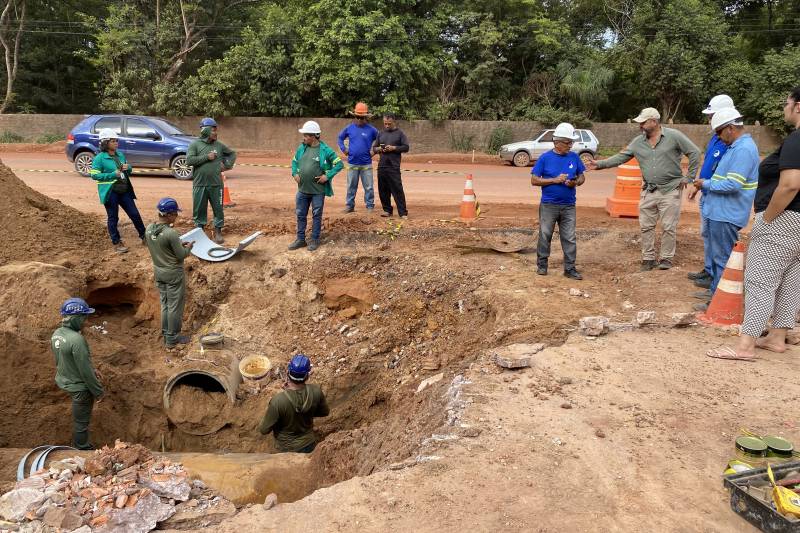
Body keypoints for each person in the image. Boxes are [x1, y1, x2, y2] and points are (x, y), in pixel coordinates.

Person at [707, 87, 800, 361]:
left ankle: (744, 346)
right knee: (790, 279)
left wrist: (767, 217)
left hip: (784, 219)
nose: (784, 108)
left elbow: (790, 184)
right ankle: (777, 336)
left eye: (787, 103)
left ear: (798, 107)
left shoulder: (796, 140)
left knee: (760, 280)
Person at [588, 108, 701, 271]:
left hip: (670, 189)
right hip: (649, 190)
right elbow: (621, 157)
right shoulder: (637, 142)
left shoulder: (674, 136)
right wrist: (598, 164)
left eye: (643, 122)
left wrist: (688, 177)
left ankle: (666, 258)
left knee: (668, 226)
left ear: (654, 122)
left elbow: (695, 152)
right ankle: (648, 258)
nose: (640, 125)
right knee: (646, 226)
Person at [690, 108, 759, 312]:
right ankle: (715, 293)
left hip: (727, 213)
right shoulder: (735, 147)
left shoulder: (743, 149)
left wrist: (706, 184)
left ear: (730, 128)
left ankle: (721, 303)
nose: (718, 137)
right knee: (717, 256)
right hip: (719, 211)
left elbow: (733, 184)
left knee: (723, 260)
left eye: (719, 132)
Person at [687, 95, 734, 290]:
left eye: (712, 115)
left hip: (718, 195)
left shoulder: (728, 141)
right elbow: (708, 166)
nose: (709, 119)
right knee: (707, 234)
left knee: (717, 237)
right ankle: (709, 269)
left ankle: (716, 275)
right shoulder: (716, 137)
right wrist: (698, 186)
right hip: (707, 191)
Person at [530, 122, 586, 280]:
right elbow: (534, 180)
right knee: (545, 234)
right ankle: (542, 265)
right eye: (568, 142)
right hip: (549, 205)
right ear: (557, 142)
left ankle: (570, 268)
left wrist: (575, 182)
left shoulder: (574, 157)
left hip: (569, 205)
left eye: (571, 142)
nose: (570, 145)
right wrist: (554, 180)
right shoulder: (545, 158)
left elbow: (582, 176)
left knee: (569, 237)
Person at [51, 297, 104, 450]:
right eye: (83, 317)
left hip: (64, 379)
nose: (85, 321)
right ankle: (82, 447)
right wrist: (98, 392)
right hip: (79, 388)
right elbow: (86, 373)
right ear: (75, 318)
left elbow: (64, 359)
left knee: (79, 418)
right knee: (81, 423)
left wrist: (91, 369)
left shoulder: (57, 334)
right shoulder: (77, 340)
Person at [144, 198, 194, 349]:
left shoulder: (149, 228)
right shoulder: (171, 233)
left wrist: (177, 243)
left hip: (159, 271)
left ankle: (166, 332)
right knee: (174, 306)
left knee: (165, 304)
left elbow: (163, 246)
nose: (176, 217)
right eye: (175, 214)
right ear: (170, 215)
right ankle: (172, 339)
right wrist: (189, 247)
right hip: (173, 274)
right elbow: (181, 255)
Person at [289, 121, 344, 251]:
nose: (304, 138)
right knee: (300, 214)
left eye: (306, 135)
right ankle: (300, 239)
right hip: (302, 190)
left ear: (313, 136)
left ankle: (314, 239)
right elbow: (294, 162)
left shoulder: (325, 150)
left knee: (316, 215)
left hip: (318, 191)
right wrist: (294, 173)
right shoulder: (302, 148)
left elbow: (339, 164)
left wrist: (327, 176)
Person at [258, 355, 330, 453]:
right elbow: (325, 412)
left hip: (287, 449)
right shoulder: (316, 391)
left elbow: (264, 430)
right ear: (307, 375)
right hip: (309, 444)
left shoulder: (278, 401)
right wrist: (308, 412)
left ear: (288, 373)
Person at [89, 128, 146, 254]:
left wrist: (128, 167)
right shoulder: (99, 158)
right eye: (113, 141)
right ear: (105, 143)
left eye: (116, 140)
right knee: (113, 217)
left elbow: (128, 170)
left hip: (124, 190)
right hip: (111, 192)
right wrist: (112, 174)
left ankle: (144, 237)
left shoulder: (120, 155)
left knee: (135, 214)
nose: (116, 143)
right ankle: (116, 242)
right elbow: (94, 175)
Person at [186, 117, 236, 244]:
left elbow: (232, 154)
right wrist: (206, 157)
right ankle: (200, 231)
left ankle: (218, 231)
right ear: (205, 130)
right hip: (200, 184)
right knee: (199, 209)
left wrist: (226, 165)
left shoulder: (219, 146)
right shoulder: (195, 144)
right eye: (213, 130)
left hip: (216, 184)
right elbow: (189, 161)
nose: (216, 132)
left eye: (216, 130)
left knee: (218, 209)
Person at [338, 102, 379, 213]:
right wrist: (344, 149)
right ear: (354, 116)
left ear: (366, 117)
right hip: (352, 162)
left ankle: (370, 206)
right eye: (358, 117)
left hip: (366, 163)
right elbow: (340, 138)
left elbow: (380, 140)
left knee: (369, 187)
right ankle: (350, 206)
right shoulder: (349, 128)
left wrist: (374, 151)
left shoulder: (372, 130)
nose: (360, 119)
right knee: (351, 186)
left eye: (362, 117)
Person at [372, 113, 410, 218]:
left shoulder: (400, 134)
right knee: (383, 190)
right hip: (382, 166)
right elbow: (374, 148)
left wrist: (394, 148)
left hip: (393, 166)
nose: (387, 125)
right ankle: (387, 210)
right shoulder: (381, 133)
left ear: (394, 122)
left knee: (397, 190)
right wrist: (380, 149)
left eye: (389, 123)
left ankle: (402, 213)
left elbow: (406, 147)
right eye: (385, 123)